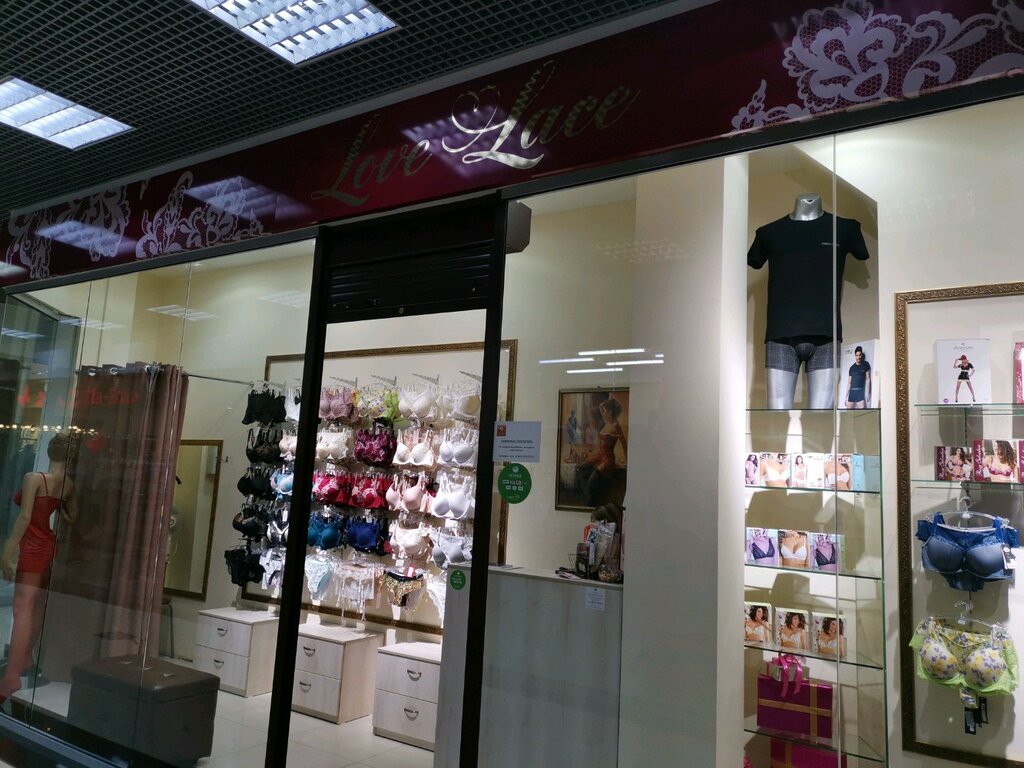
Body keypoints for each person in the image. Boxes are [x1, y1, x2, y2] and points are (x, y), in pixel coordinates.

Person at [0, 433, 79, 702]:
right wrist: (60, 506)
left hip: (33, 548)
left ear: (50, 452)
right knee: (35, 606)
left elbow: (24, 518)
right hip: (48, 546)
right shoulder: (67, 484)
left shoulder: (34, 478)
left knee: (22, 607)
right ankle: (25, 659)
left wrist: (6, 553)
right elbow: (72, 516)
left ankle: (12, 676)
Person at [575, 397, 627, 506]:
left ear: (610, 411)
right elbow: (601, 447)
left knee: (592, 482)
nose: (602, 413)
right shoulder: (605, 424)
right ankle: (586, 497)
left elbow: (624, 444)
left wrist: (627, 462)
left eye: (604, 411)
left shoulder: (616, 425)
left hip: (607, 460)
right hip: (600, 456)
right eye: (601, 411)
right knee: (579, 468)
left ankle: (590, 502)